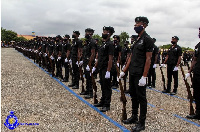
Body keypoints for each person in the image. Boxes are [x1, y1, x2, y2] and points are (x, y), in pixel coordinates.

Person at [119, 16, 154, 132]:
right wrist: (124, 71)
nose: (135, 26)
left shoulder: (147, 39)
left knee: (141, 98)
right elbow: (131, 57)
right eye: (135, 24)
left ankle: (141, 122)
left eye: (137, 23)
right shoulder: (137, 40)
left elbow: (148, 59)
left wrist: (144, 76)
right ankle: (134, 116)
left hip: (140, 73)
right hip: (133, 72)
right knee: (133, 96)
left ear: (144, 25)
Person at [92, 26, 115, 112]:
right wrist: (95, 67)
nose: (103, 33)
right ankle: (102, 101)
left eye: (105, 32)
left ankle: (107, 104)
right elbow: (99, 57)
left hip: (106, 68)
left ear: (109, 33)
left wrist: (108, 71)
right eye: (103, 31)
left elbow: (110, 58)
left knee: (107, 86)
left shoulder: (110, 44)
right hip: (101, 67)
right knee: (102, 85)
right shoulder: (104, 43)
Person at [185, 28, 200, 120]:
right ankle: (198, 113)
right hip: (197, 72)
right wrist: (189, 71)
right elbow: (195, 59)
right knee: (197, 93)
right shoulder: (198, 45)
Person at [81, 28, 96, 99]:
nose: (86, 33)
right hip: (85, 61)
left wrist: (89, 64)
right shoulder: (87, 42)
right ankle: (87, 90)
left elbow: (93, 54)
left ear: (91, 33)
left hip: (89, 62)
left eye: (88, 32)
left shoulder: (92, 42)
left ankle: (90, 92)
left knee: (90, 78)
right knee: (87, 77)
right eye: (86, 32)